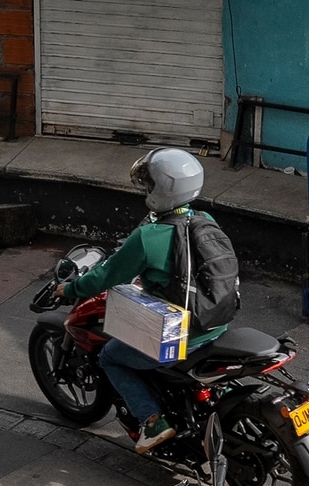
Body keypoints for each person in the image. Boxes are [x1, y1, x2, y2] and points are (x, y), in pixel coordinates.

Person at [64, 147, 238, 452]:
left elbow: (106, 276)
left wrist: (70, 289)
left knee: (110, 357)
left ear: (163, 189)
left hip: (181, 334)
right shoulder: (204, 219)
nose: (145, 189)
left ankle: (152, 420)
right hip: (216, 323)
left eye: (149, 184)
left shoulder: (148, 238)